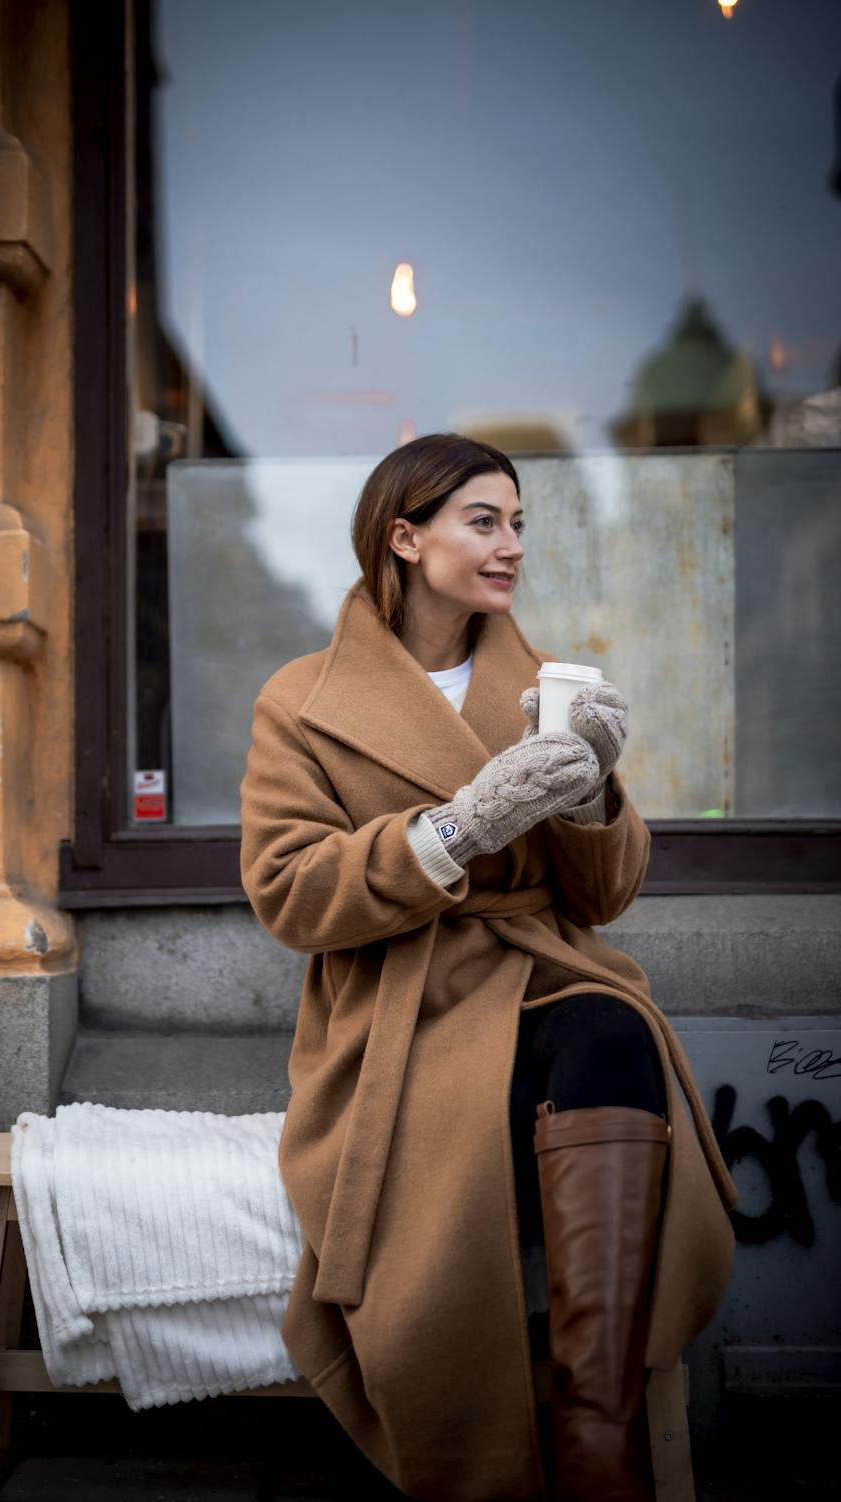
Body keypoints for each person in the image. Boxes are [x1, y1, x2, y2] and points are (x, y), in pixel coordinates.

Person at [240, 433, 736, 1502]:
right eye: (483, 519)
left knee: (613, 1026)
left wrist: (595, 796)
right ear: (404, 536)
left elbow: (600, 897)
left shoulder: (547, 681)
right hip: (395, 1008)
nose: (510, 544)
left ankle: (596, 1434)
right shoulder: (300, 699)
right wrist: (458, 827)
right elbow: (289, 892)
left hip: (543, 972)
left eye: (518, 522)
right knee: (500, 1098)